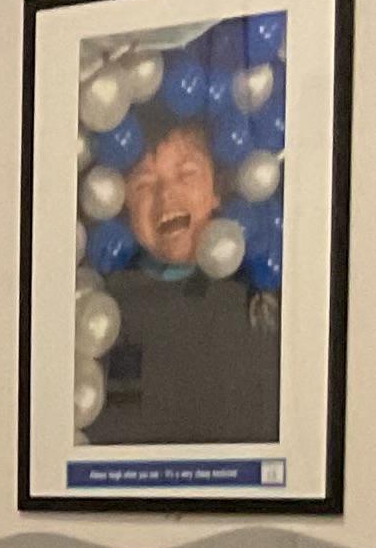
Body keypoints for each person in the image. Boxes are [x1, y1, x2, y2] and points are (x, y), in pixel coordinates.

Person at [92, 112, 279, 446]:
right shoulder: (105, 313)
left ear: (217, 190)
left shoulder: (258, 297)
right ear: (121, 204)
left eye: (187, 173)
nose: (166, 195)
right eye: (144, 184)